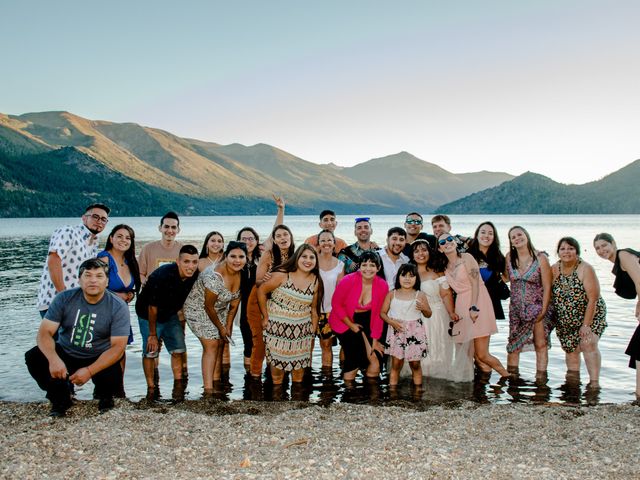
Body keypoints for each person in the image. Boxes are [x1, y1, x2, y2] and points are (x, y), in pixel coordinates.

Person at [25, 258, 130, 417]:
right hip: (67, 352)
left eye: (99, 276)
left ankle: (103, 396)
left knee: (109, 392)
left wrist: (89, 371)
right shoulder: (64, 298)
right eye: (87, 275)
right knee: (34, 357)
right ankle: (60, 396)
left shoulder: (118, 306)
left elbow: (118, 347)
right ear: (79, 280)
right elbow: (44, 333)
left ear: (107, 281)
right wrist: (54, 359)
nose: (93, 280)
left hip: (99, 355)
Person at [437, 232, 510, 378]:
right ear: (440, 249)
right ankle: (475, 383)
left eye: (450, 239)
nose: (447, 242)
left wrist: (474, 307)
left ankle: (506, 377)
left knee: (482, 354)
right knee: (465, 351)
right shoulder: (444, 267)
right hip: (461, 305)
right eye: (443, 242)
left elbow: (476, 283)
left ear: (456, 242)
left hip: (478, 301)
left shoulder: (467, 258)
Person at [135, 245, 200, 398]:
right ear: (178, 261)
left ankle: (178, 388)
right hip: (148, 314)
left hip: (170, 314)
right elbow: (152, 307)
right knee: (150, 351)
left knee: (178, 349)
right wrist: (152, 335)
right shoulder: (162, 276)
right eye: (186, 262)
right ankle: (151, 388)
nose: (190, 266)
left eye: (194, 262)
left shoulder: (195, 274)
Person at [184, 242, 247, 394]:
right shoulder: (214, 277)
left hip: (220, 309)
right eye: (233, 256)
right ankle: (208, 390)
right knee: (211, 345)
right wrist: (221, 327)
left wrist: (228, 326)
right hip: (198, 309)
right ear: (226, 256)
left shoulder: (242, 273)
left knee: (220, 343)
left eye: (241, 257)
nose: (237, 260)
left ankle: (217, 381)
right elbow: (208, 307)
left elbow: (233, 305)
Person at [258, 244, 322, 385]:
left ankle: (298, 404)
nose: (308, 260)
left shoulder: (315, 280)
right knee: (277, 377)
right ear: (297, 258)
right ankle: (277, 404)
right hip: (277, 331)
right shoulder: (282, 275)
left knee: (298, 377)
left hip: (301, 332)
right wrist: (265, 316)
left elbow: (314, 310)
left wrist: (312, 332)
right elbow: (261, 291)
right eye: (304, 256)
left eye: (312, 257)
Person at [411, 239, 474, 381]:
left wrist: (452, 312)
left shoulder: (438, 272)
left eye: (424, 250)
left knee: (438, 347)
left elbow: (446, 294)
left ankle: (437, 378)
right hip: (415, 317)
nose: (421, 254)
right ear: (412, 255)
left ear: (429, 252)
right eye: (417, 251)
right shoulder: (409, 272)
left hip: (437, 315)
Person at [37, 203, 110, 316]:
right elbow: (54, 260)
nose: (99, 221)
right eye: (95, 216)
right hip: (56, 302)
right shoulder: (69, 232)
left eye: (104, 219)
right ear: (84, 218)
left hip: (77, 305)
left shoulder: (93, 243)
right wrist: (64, 296)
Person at [551, 237, 607, 388]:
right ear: (558, 252)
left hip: (591, 314)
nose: (566, 252)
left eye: (571, 248)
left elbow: (593, 299)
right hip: (566, 318)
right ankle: (573, 386)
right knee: (570, 349)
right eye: (563, 249)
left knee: (588, 343)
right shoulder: (555, 269)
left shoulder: (585, 268)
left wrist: (586, 325)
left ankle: (594, 384)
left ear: (577, 251)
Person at [593, 233, 640, 399]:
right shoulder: (617, 265)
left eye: (604, 245)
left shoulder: (623, 255)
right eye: (597, 248)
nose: (601, 250)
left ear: (614, 243)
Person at [329, 251, 389, 381]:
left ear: (378, 268)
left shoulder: (382, 285)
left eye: (372, 265)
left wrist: (375, 340)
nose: (368, 269)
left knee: (375, 359)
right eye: (364, 265)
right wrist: (351, 325)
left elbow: (379, 314)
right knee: (355, 357)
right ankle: (348, 391)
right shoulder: (348, 280)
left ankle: (369, 395)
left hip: (366, 320)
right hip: (342, 320)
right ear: (359, 266)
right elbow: (336, 304)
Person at [504, 226, 553, 378]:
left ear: (527, 236)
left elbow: (547, 285)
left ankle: (541, 381)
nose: (517, 238)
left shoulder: (540, 258)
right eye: (513, 237)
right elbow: (505, 277)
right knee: (513, 346)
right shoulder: (509, 257)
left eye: (520, 234)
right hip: (516, 309)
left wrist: (544, 310)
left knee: (540, 344)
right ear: (511, 242)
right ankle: (512, 381)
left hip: (537, 307)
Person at [97, 224, 141, 391]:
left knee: (120, 350)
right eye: (120, 236)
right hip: (104, 312)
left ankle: (119, 388)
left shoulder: (129, 262)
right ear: (111, 238)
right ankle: (103, 388)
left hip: (121, 314)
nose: (123, 240)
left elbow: (130, 288)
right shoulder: (104, 259)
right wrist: (119, 296)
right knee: (105, 349)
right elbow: (94, 287)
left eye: (128, 238)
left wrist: (130, 294)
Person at [381, 263, 430, 387]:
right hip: (397, 331)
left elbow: (429, 314)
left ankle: (418, 391)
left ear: (416, 279)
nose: (407, 279)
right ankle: (392, 392)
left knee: (415, 364)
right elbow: (382, 313)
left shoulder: (420, 294)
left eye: (411, 276)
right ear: (398, 277)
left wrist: (424, 308)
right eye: (404, 276)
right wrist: (391, 322)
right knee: (396, 364)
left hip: (415, 333)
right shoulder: (392, 294)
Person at [467, 222, 509, 320]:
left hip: (490, 301)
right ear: (477, 235)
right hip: (470, 300)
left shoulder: (498, 256)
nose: (486, 236)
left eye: (490, 233)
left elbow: (507, 277)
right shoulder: (468, 254)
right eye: (483, 232)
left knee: (486, 335)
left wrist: (496, 282)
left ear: (494, 237)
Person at [316, 230, 344, 368]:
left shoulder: (340, 265)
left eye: (329, 240)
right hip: (316, 311)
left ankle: (342, 375)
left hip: (334, 311)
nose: (326, 243)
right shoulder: (312, 261)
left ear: (334, 243)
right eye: (322, 240)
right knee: (324, 345)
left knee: (342, 345)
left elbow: (341, 291)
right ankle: (326, 377)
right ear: (318, 244)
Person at [236, 226, 261, 370]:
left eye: (251, 238)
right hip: (243, 308)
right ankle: (249, 377)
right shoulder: (235, 261)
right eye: (244, 239)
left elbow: (274, 233)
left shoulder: (262, 259)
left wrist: (280, 210)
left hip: (261, 308)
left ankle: (259, 373)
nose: (248, 242)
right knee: (248, 344)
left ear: (256, 241)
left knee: (262, 343)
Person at [138, 211, 183, 284]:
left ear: (178, 230)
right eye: (166, 226)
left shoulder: (183, 250)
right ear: (160, 228)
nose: (170, 230)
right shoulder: (147, 249)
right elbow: (140, 274)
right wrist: (147, 283)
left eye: (173, 227)